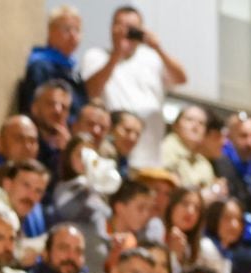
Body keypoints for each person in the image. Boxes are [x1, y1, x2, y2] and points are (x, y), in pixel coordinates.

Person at [79, 6, 185, 168]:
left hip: (150, 156)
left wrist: (158, 48)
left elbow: (181, 78)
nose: (127, 33)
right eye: (121, 26)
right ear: (112, 28)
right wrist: (116, 54)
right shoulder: (97, 56)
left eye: (132, 29)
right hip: (112, 153)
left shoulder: (153, 59)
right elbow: (91, 91)